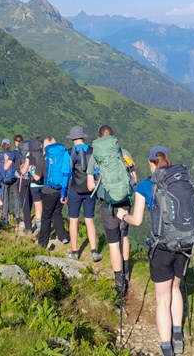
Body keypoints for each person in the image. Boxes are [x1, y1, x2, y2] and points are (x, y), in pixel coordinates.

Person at [117, 146, 187, 356]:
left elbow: (136, 220)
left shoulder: (145, 185)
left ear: (151, 163)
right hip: (184, 244)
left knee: (162, 299)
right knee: (176, 289)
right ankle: (178, 336)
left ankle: (166, 349)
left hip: (161, 247)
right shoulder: (181, 181)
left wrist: (123, 216)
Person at [87, 125, 133, 295]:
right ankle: (127, 270)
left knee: (113, 243)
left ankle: (119, 281)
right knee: (124, 236)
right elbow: (133, 178)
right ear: (113, 137)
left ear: (99, 138)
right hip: (125, 200)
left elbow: (90, 185)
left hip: (107, 203)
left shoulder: (95, 157)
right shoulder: (124, 152)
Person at [65, 125, 102, 262]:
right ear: (82, 136)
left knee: (73, 220)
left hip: (75, 190)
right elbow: (97, 171)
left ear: (72, 138)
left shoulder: (68, 153)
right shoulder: (93, 151)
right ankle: (94, 251)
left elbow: (65, 175)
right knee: (89, 219)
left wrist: (64, 193)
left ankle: (74, 252)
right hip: (90, 190)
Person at [33, 136, 70, 250]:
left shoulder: (44, 159)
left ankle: (43, 242)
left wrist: (31, 173)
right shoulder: (62, 157)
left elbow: (37, 177)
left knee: (46, 217)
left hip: (48, 191)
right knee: (57, 213)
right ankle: (63, 237)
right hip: (62, 189)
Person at [14, 134, 34, 233]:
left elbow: (19, 170)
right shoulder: (34, 156)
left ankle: (28, 226)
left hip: (23, 179)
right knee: (31, 200)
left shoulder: (19, 156)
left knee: (25, 201)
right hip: (34, 180)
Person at [0, 138, 20, 224]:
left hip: (4, 180)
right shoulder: (13, 154)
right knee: (16, 197)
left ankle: (5, 218)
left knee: (5, 199)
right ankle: (17, 217)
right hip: (13, 178)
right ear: (9, 145)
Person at [29, 136, 45, 236]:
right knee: (44, 206)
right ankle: (45, 226)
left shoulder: (30, 156)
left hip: (34, 184)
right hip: (44, 183)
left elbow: (27, 168)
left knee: (37, 206)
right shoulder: (44, 155)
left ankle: (39, 228)